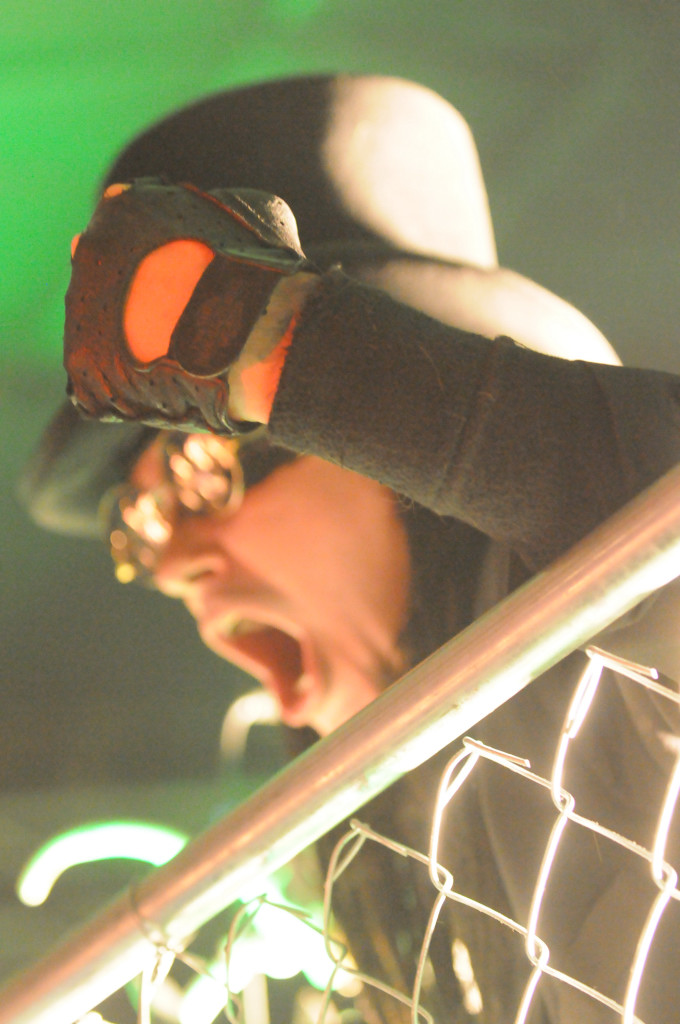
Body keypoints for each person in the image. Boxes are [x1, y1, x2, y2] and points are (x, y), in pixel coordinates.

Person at [21, 75, 680, 1024]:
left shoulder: (626, 672)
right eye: (142, 524)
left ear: (379, 452)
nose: (175, 564)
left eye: (203, 473)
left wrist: (274, 345)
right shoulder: (394, 874)